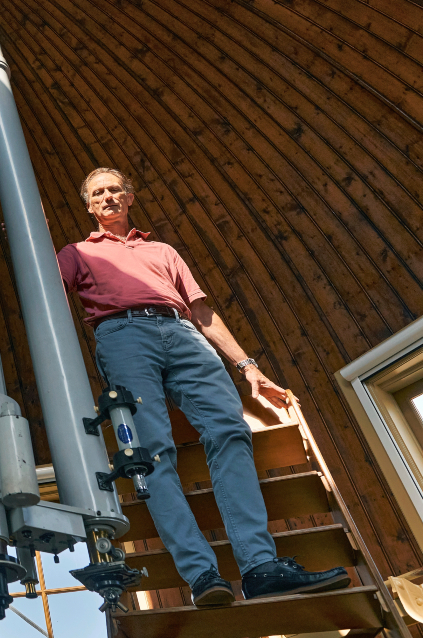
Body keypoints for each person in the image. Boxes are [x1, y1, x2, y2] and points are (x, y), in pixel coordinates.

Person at [56, 167, 349, 607]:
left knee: (231, 431)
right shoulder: (77, 252)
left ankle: (259, 568)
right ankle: (201, 575)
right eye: (98, 193)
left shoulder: (162, 250)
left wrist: (248, 366)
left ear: (130, 197)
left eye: (115, 189)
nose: (108, 197)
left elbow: (203, 312)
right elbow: (45, 293)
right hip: (122, 336)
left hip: (183, 332)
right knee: (152, 452)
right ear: (89, 205)